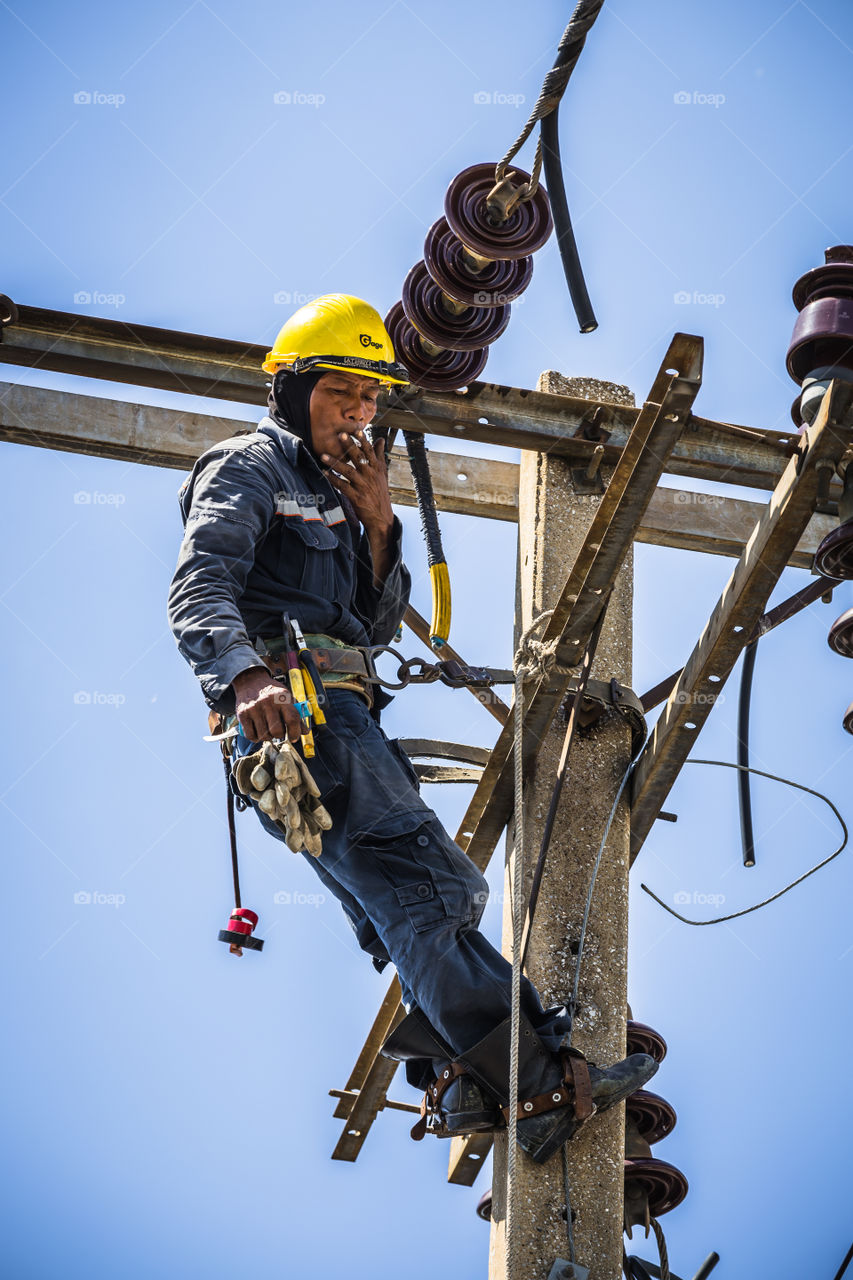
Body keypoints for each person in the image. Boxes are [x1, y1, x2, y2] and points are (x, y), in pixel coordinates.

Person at [167, 293, 656, 1165]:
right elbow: (199, 585)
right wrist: (243, 677)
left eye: (369, 398)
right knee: (433, 896)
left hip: (342, 714)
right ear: (290, 392)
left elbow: (375, 628)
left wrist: (381, 523)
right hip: (296, 716)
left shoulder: (347, 493)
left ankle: (463, 1080)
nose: (359, 413)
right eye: (340, 394)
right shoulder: (247, 469)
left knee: (412, 907)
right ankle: (536, 1081)